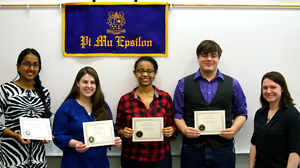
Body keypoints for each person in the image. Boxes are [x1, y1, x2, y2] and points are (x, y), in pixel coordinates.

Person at [173, 40, 248, 168]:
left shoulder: (233, 84)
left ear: (218, 58)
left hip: (223, 148)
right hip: (192, 149)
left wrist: (234, 129)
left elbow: (241, 112)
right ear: (198, 58)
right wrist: (185, 130)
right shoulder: (183, 84)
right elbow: (177, 113)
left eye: (213, 56)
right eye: (204, 55)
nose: (209, 59)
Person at [52, 66, 121, 168]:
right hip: (74, 162)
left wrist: (114, 140)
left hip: (99, 163)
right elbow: (58, 135)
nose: (89, 86)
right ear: (77, 83)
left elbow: (109, 131)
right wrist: (75, 144)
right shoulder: (67, 106)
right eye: (85, 82)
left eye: (92, 82)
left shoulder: (103, 106)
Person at [115, 56, 177, 168]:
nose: (145, 74)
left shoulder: (165, 98)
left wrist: (171, 130)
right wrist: (122, 132)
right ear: (135, 73)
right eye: (140, 71)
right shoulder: (125, 100)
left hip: (160, 157)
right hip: (132, 157)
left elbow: (173, 124)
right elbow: (117, 127)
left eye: (149, 71)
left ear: (155, 73)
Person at [0, 48, 52, 167]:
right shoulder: (6, 90)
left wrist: (46, 136)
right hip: (12, 157)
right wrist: (15, 135)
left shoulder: (44, 93)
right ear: (18, 66)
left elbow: (47, 122)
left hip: (38, 159)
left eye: (35, 65)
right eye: (26, 64)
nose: (31, 68)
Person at [249, 71, 300, 168]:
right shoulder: (260, 114)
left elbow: (295, 151)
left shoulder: (292, 115)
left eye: (273, 87)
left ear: (282, 89)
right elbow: (254, 144)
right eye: (265, 88)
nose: (268, 91)